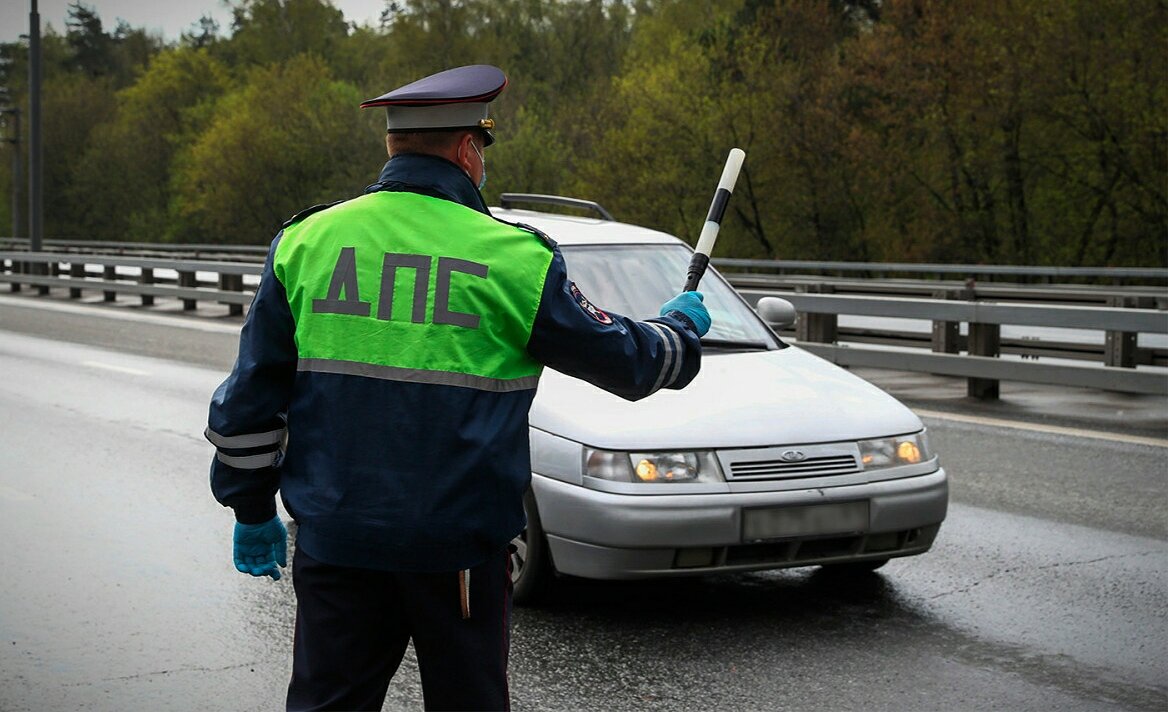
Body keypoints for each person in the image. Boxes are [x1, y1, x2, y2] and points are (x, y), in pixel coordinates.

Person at [205, 64, 710, 712]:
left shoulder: (305, 243)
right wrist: (679, 331)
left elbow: (250, 399)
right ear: (469, 149)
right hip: (459, 554)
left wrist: (250, 507)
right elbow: (628, 363)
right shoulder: (513, 257)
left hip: (339, 545)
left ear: (392, 146)